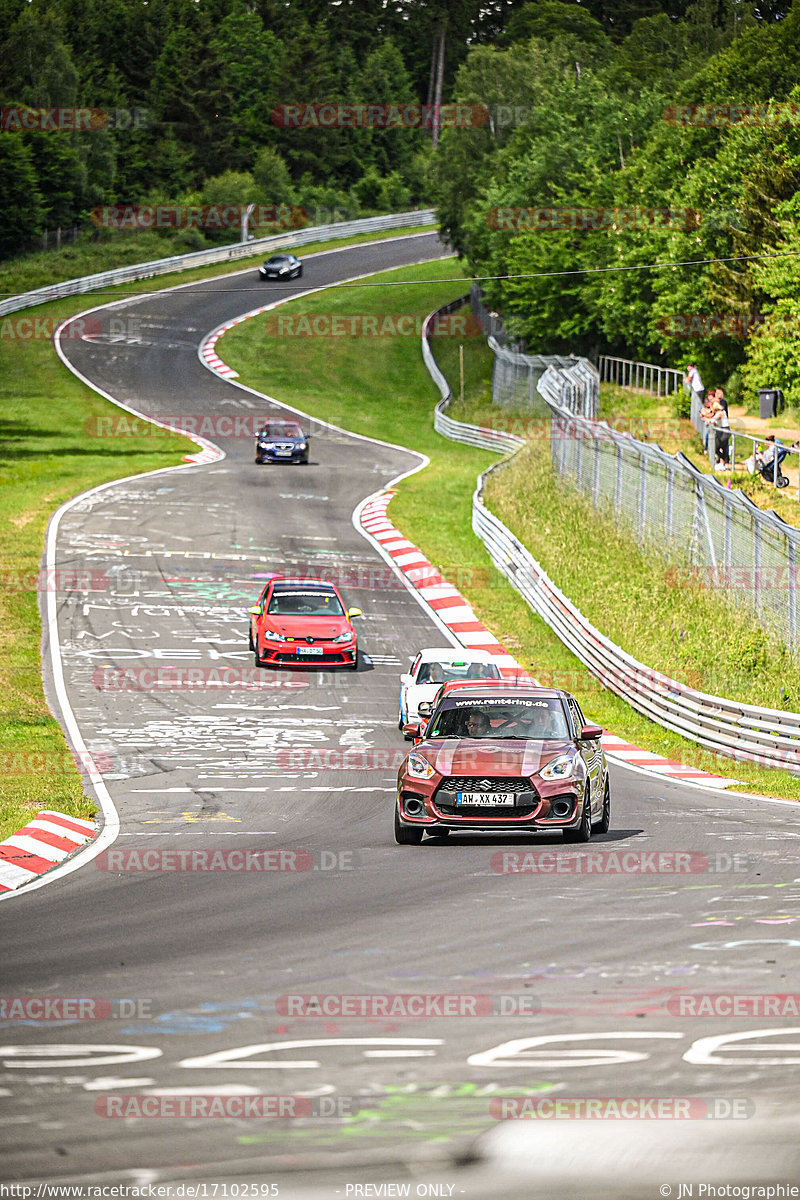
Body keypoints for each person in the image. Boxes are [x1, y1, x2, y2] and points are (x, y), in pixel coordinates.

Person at [710, 399, 730, 470]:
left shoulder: (721, 412)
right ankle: (724, 462)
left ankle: (724, 461)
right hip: (721, 431)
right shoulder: (718, 413)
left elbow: (714, 419)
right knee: (721, 448)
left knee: (717, 447)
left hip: (724, 431)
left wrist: (709, 420)